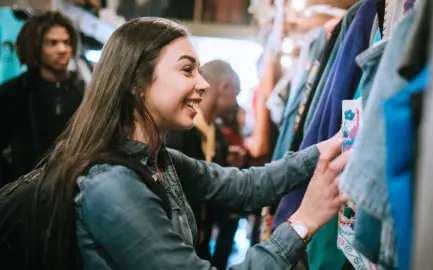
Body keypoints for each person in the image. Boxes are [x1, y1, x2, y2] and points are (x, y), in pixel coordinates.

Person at [40, 17, 348, 269]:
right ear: (136, 82)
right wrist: (302, 222)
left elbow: (244, 186)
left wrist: (325, 149)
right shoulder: (112, 184)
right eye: (187, 70)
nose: (202, 84)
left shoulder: (160, 160)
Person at [167, 59, 243, 269]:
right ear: (224, 87)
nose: (237, 102)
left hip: (200, 239)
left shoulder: (216, 133)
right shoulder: (179, 130)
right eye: (236, 93)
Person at [0, 11, 84, 187]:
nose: (62, 49)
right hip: (25, 194)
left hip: (74, 190)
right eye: (52, 43)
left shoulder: (85, 91)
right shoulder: (13, 93)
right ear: (36, 46)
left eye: (66, 42)